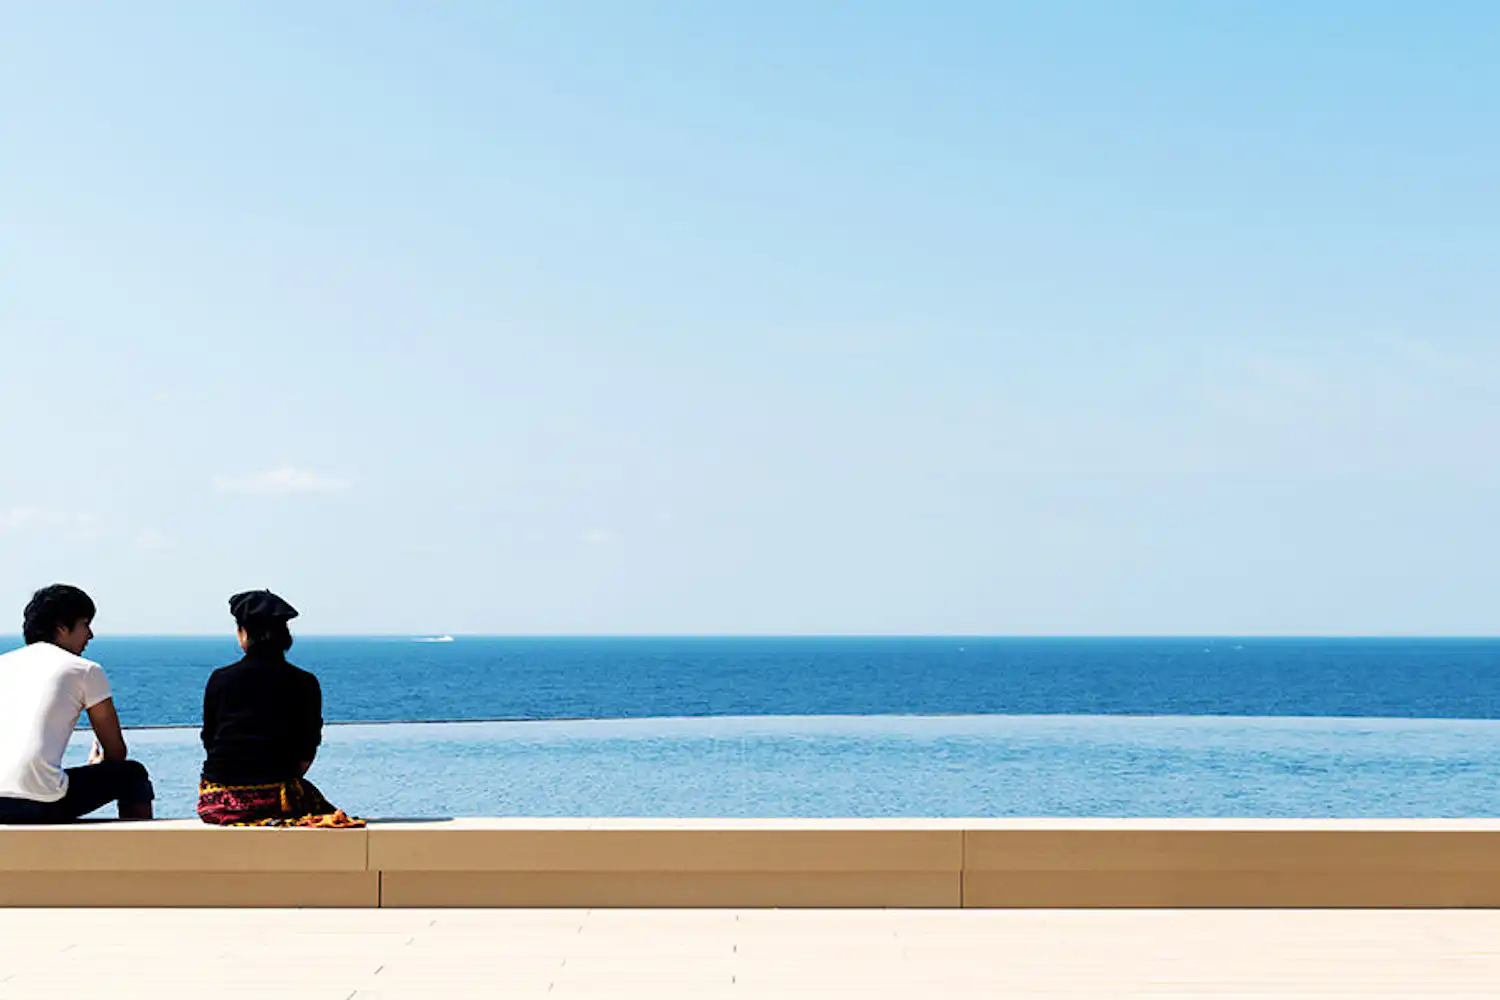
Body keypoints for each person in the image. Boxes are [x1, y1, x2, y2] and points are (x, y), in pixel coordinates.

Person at [197, 590, 362, 828]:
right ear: (285, 637)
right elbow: (307, 748)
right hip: (279, 798)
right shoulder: (304, 682)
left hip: (216, 800)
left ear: (244, 634)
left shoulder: (219, 679)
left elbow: (210, 741)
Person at [0, 585, 154, 823]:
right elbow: (116, 752)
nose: (90, 635)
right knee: (132, 775)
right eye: (85, 624)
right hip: (41, 804)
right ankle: (141, 855)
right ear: (62, 628)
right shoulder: (84, 670)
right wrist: (98, 767)